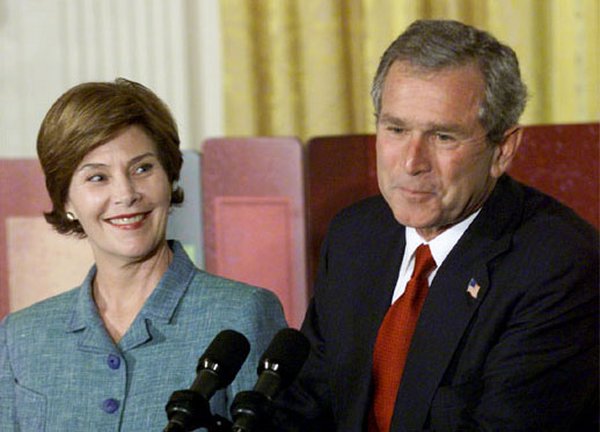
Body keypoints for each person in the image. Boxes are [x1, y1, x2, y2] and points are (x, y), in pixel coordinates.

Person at [272, 20, 598, 431]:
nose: (412, 163)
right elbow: (310, 403)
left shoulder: (559, 267)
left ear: (503, 150)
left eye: (443, 137)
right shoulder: (355, 236)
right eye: (396, 129)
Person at [0, 78, 287, 430]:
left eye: (142, 169)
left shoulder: (243, 312)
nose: (125, 194)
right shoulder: (22, 336)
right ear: (66, 201)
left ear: (170, 178)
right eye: (97, 178)